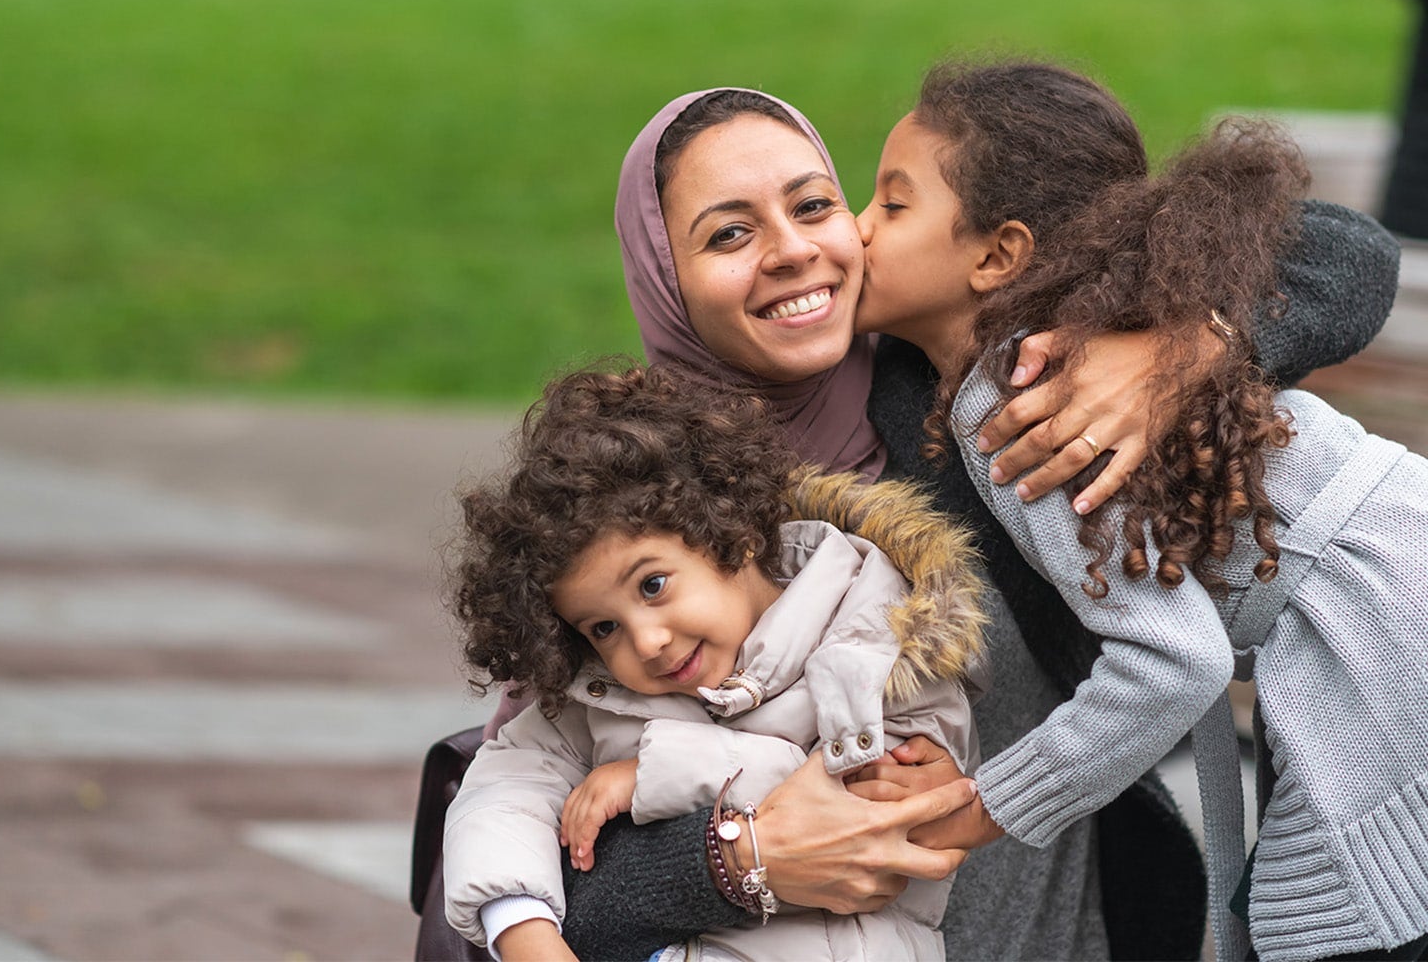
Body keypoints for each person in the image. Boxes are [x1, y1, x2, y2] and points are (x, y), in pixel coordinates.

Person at [535, 84, 1402, 962]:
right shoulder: (636, 501)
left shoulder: (967, 383)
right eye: (730, 233)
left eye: (815, 206)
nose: (796, 250)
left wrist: (1185, 347)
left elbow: (1344, 252)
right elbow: (548, 865)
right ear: (661, 273)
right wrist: (740, 859)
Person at [851, 60, 1428, 962]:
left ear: (998, 254)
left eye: (891, 205)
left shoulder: (1013, 399)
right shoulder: (1106, 310)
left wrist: (988, 806)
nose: (857, 230)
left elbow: (1173, 662)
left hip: (1381, 625)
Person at [441, 364, 987, 961]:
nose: (645, 642)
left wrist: (650, 775)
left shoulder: (877, 632)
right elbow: (502, 791)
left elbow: (866, 805)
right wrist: (522, 930)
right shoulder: (601, 693)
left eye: (652, 585)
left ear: (734, 530)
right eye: (603, 627)